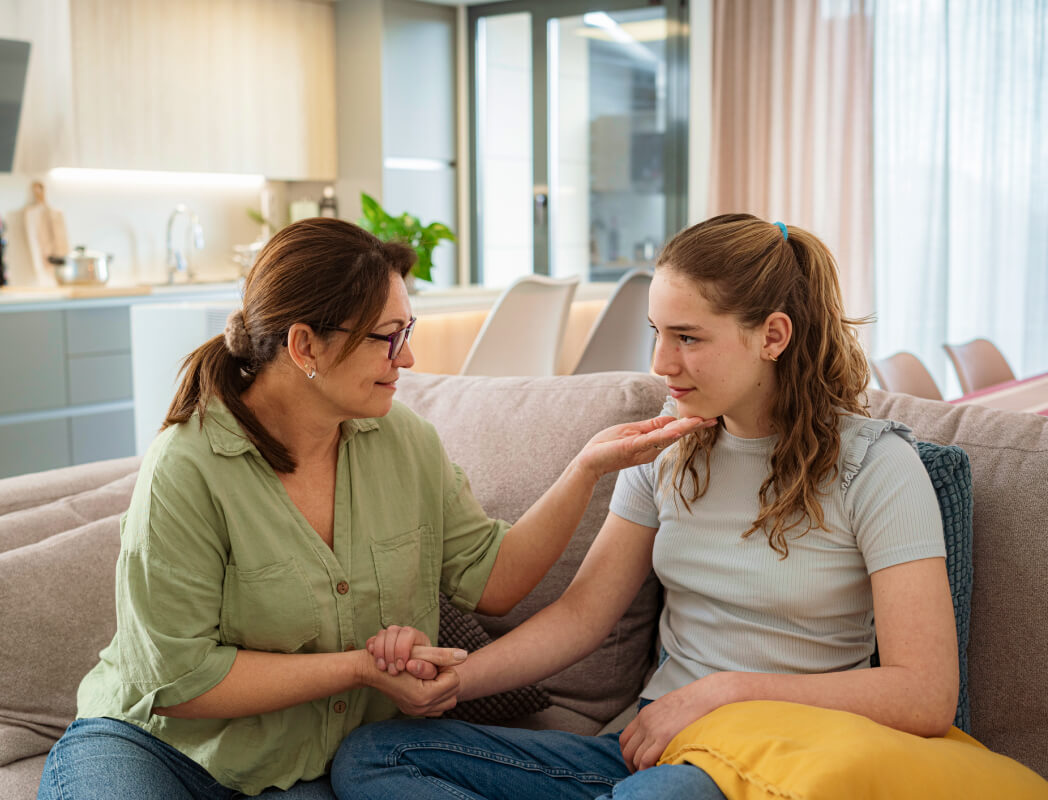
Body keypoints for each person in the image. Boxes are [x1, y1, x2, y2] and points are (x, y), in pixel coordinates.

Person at [36, 218, 712, 800]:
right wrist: (360, 667)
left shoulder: (401, 441)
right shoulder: (187, 468)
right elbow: (180, 681)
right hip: (152, 745)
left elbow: (494, 579)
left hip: (296, 767)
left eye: (406, 330)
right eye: (387, 337)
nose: (408, 357)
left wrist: (584, 469)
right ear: (304, 347)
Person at [332, 214, 959, 800]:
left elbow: (926, 693)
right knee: (373, 755)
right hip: (647, 754)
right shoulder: (667, 445)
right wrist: (457, 681)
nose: (662, 364)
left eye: (688, 338)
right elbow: (581, 615)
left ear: (772, 336)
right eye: (658, 334)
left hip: (776, 763)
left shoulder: (877, 467)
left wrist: (723, 694)